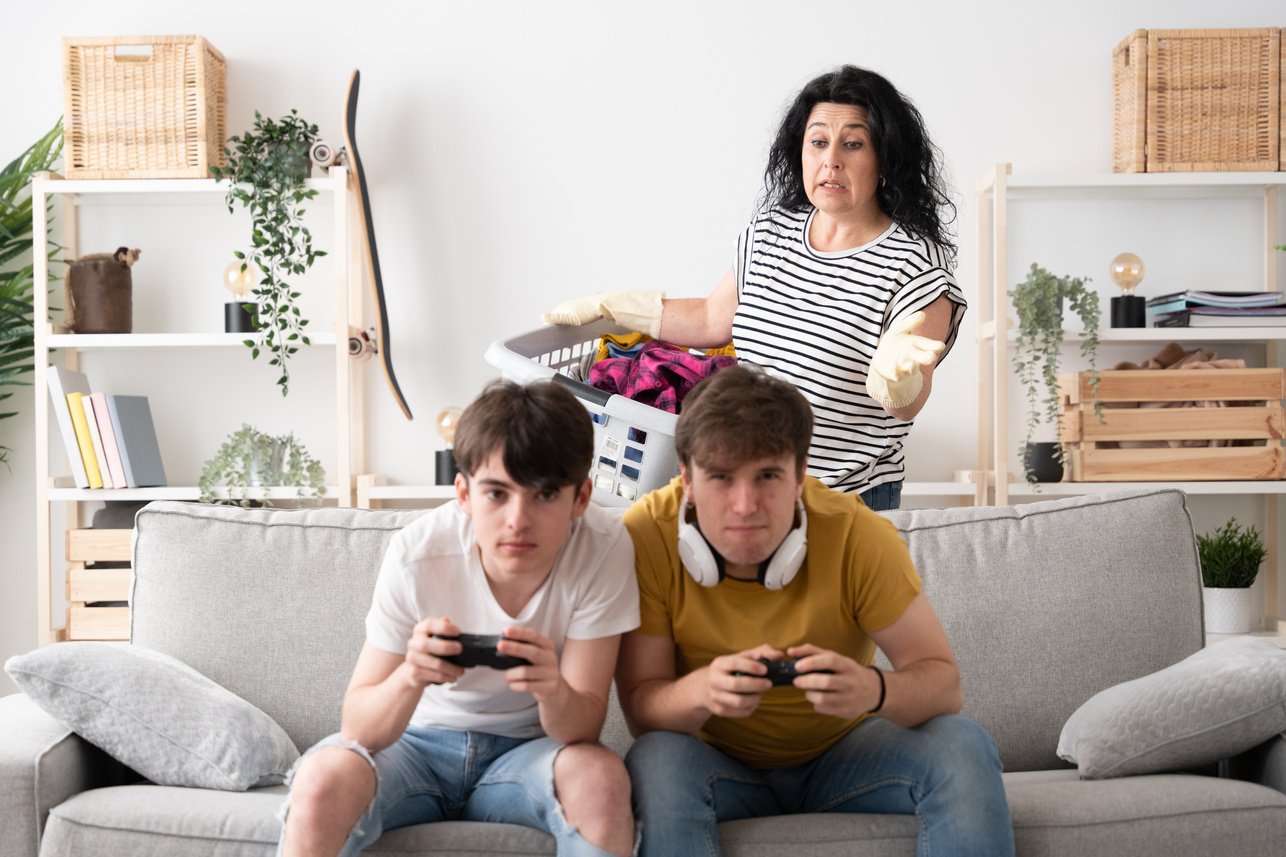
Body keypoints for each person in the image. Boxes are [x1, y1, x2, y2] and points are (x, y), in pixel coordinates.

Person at [615, 365, 1013, 857]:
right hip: (714, 761)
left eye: (767, 476)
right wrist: (702, 691)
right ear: (687, 479)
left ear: (800, 476)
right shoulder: (647, 533)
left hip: (844, 755)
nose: (744, 505)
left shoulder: (857, 535)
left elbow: (943, 685)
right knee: (655, 759)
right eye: (720, 477)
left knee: (962, 744)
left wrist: (873, 689)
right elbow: (641, 706)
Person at [542, 65, 964, 510]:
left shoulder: (916, 264)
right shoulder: (769, 233)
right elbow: (711, 319)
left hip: (849, 503)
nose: (831, 160)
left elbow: (908, 405)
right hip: (754, 492)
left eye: (853, 144)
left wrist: (898, 381)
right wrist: (611, 306)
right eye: (818, 142)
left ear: (885, 158)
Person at [277, 380, 640, 857]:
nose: (518, 520)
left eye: (545, 495)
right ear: (464, 494)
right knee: (321, 776)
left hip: (526, 755)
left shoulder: (604, 547)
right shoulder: (417, 552)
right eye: (497, 494)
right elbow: (358, 727)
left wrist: (552, 687)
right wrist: (411, 675)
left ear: (581, 498)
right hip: (415, 750)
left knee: (600, 779)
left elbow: (583, 729)